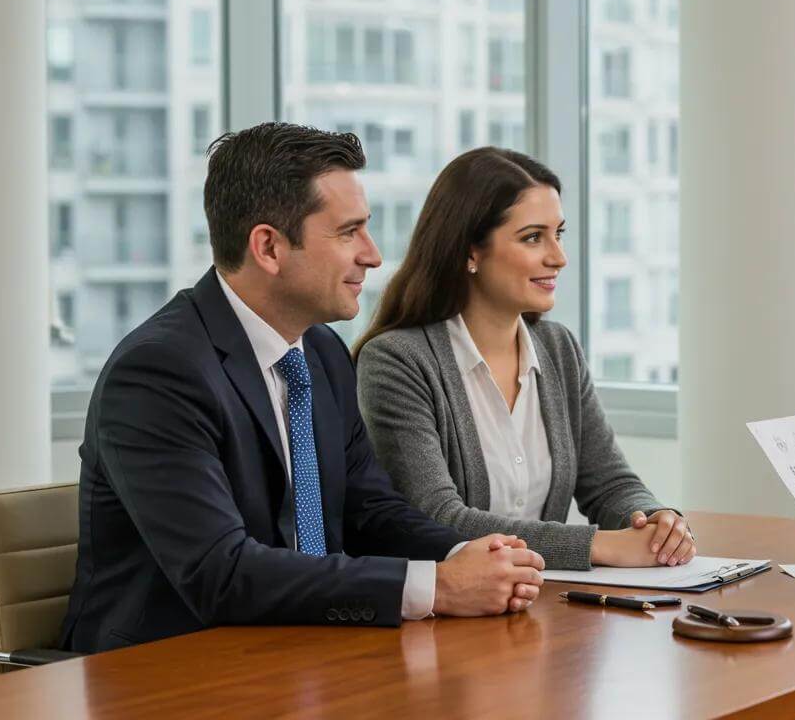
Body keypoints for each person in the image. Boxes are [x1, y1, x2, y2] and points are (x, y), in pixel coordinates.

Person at [61, 124, 545, 654]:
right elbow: (220, 574)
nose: (374, 254)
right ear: (268, 247)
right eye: (348, 232)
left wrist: (471, 555)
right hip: (164, 673)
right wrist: (439, 587)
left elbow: (371, 510)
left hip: (302, 650)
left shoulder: (320, 353)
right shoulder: (158, 373)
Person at [354, 147, 694, 571]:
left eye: (559, 233)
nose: (558, 257)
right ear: (470, 251)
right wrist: (596, 546)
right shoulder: (397, 361)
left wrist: (656, 522)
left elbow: (609, 483)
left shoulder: (557, 348)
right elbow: (437, 517)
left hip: (540, 607)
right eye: (534, 237)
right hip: (447, 615)